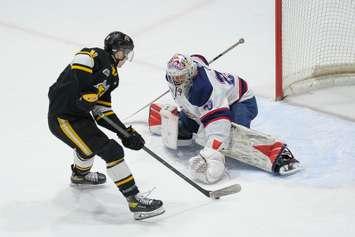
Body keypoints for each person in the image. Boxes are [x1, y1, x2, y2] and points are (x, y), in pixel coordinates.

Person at [47, 31, 164, 220]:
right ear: (113, 50)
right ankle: (134, 201)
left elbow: (103, 113)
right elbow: (80, 60)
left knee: (88, 149)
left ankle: (79, 176)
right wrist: (83, 92)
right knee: (112, 151)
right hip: (62, 117)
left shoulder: (113, 78)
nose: (125, 57)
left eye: (128, 53)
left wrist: (125, 133)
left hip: (79, 117)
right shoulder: (95, 56)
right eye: (123, 52)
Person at [149, 53, 301, 184]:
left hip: (241, 102)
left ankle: (278, 154)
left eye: (179, 77)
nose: (174, 80)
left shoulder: (205, 90)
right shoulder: (190, 68)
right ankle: (187, 128)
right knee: (193, 120)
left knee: (231, 137)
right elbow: (198, 58)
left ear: (190, 74)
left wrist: (210, 153)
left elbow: (219, 126)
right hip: (211, 101)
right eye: (172, 76)